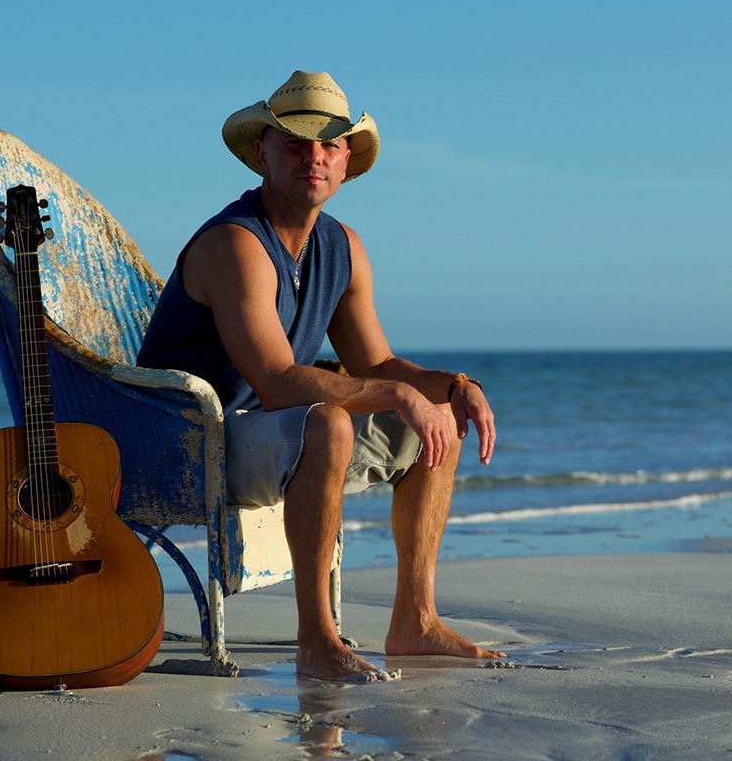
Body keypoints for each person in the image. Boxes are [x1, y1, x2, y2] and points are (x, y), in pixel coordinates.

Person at [137, 70, 502, 681]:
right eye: (295, 143)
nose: (314, 157)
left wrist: (458, 387)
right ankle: (315, 641)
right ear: (262, 153)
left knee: (436, 422)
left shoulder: (343, 246)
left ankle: (414, 622)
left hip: (263, 433)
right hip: (187, 441)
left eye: (329, 145)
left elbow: (378, 365)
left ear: (346, 161)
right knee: (328, 424)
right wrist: (394, 394)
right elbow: (280, 381)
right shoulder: (235, 244)